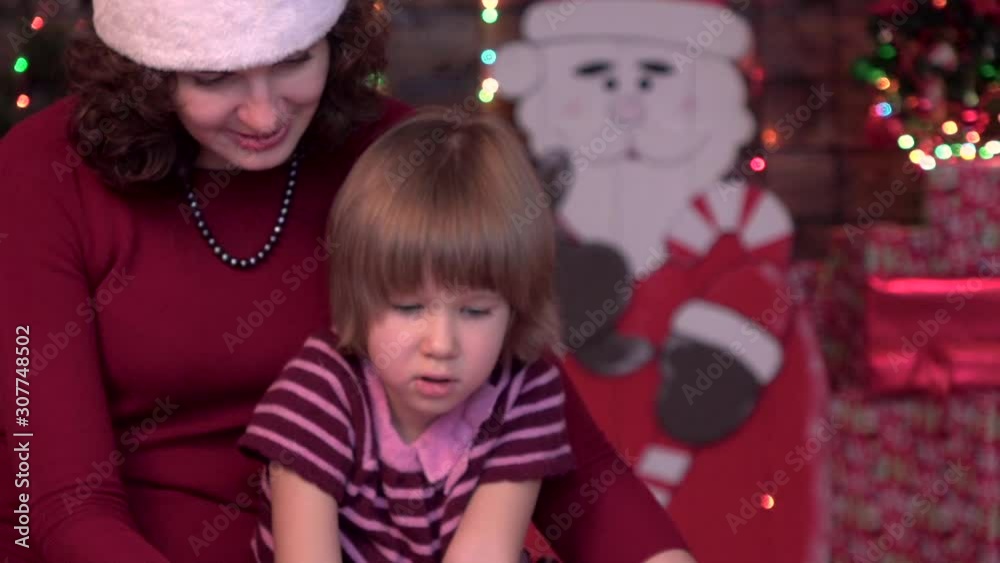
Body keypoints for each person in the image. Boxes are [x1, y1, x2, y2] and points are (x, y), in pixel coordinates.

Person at [0, 1, 694, 562]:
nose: (265, 115)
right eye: (214, 78)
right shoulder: (41, 174)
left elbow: (550, 432)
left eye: (294, 60)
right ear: (147, 71)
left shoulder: (402, 157)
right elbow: (55, 503)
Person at [238, 110, 575, 562]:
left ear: (516, 310)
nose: (441, 345)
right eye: (409, 308)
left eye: (475, 311)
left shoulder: (526, 391)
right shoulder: (318, 392)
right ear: (359, 298)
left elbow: (484, 554)